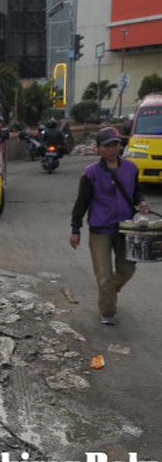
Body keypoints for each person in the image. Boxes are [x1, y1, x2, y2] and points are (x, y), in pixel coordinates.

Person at [70, 127, 150, 325]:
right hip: (100, 230)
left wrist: (141, 201)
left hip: (126, 228)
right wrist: (75, 229)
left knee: (127, 269)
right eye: (108, 145)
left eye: (116, 144)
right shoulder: (91, 173)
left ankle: (107, 294)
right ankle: (107, 311)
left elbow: (136, 192)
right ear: (98, 149)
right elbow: (82, 202)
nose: (113, 149)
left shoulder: (131, 168)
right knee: (104, 275)